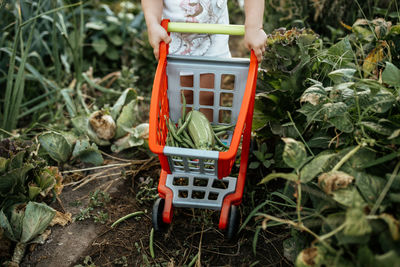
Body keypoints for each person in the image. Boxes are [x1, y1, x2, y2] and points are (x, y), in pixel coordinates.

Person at [141, 0, 267, 62]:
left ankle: (209, 114)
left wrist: (254, 27)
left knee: (209, 94)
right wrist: (153, 23)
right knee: (183, 93)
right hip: (174, 35)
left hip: (214, 32)